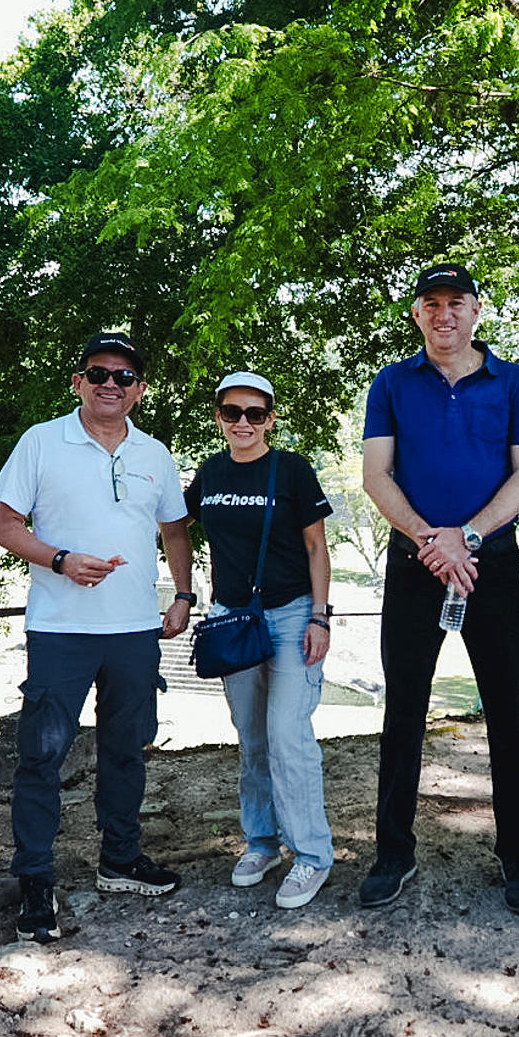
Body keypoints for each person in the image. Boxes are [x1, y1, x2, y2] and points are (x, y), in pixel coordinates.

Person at [0, 332, 196, 943]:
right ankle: (34, 881)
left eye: (124, 376)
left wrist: (182, 595)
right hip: (61, 629)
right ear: (78, 382)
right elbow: (3, 523)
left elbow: (176, 531)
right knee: (41, 756)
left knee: (128, 748)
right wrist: (59, 561)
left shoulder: (156, 453)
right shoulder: (41, 442)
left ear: (140, 390)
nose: (111, 383)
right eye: (98, 372)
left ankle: (120, 859)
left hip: (134, 629)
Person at [359, 262, 519, 913]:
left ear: (477, 310)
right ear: (417, 314)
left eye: (456, 302)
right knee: (403, 710)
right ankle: (392, 851)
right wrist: (428, 540)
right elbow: (376, 475)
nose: (444, 313)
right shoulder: (391, 383)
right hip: (414, 566)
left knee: (507, 714)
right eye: (431, 303)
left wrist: (465, 535)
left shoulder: (515, 382)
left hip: (489, 562)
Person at [186, 371, 336, 909]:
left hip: (293, 613)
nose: (242, 422)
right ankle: (261, 841)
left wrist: (321, 617)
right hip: (234, 617)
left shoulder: (291, 469)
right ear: (220, 417)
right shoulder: (209, 472)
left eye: (254, 413)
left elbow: (318, 549)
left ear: (270, 418)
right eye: (232, 413)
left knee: (286, 734)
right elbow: (174, 525)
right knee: (251, 736)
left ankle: (312, 855)